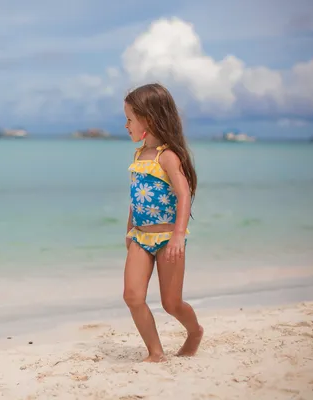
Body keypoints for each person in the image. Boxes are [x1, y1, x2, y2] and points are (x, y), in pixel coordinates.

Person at [122, 83, 203, 362]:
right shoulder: (138, 155)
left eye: (130, 119)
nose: (126, 125)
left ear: (149, 119)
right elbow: (136, 198)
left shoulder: (167, 156)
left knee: (171, 303)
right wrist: (129, 230)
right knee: (132, 296)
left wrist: (179, 236)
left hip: (169, 240)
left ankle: (194, 331)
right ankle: (155, 352)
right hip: (140, 238)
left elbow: (183, 195)